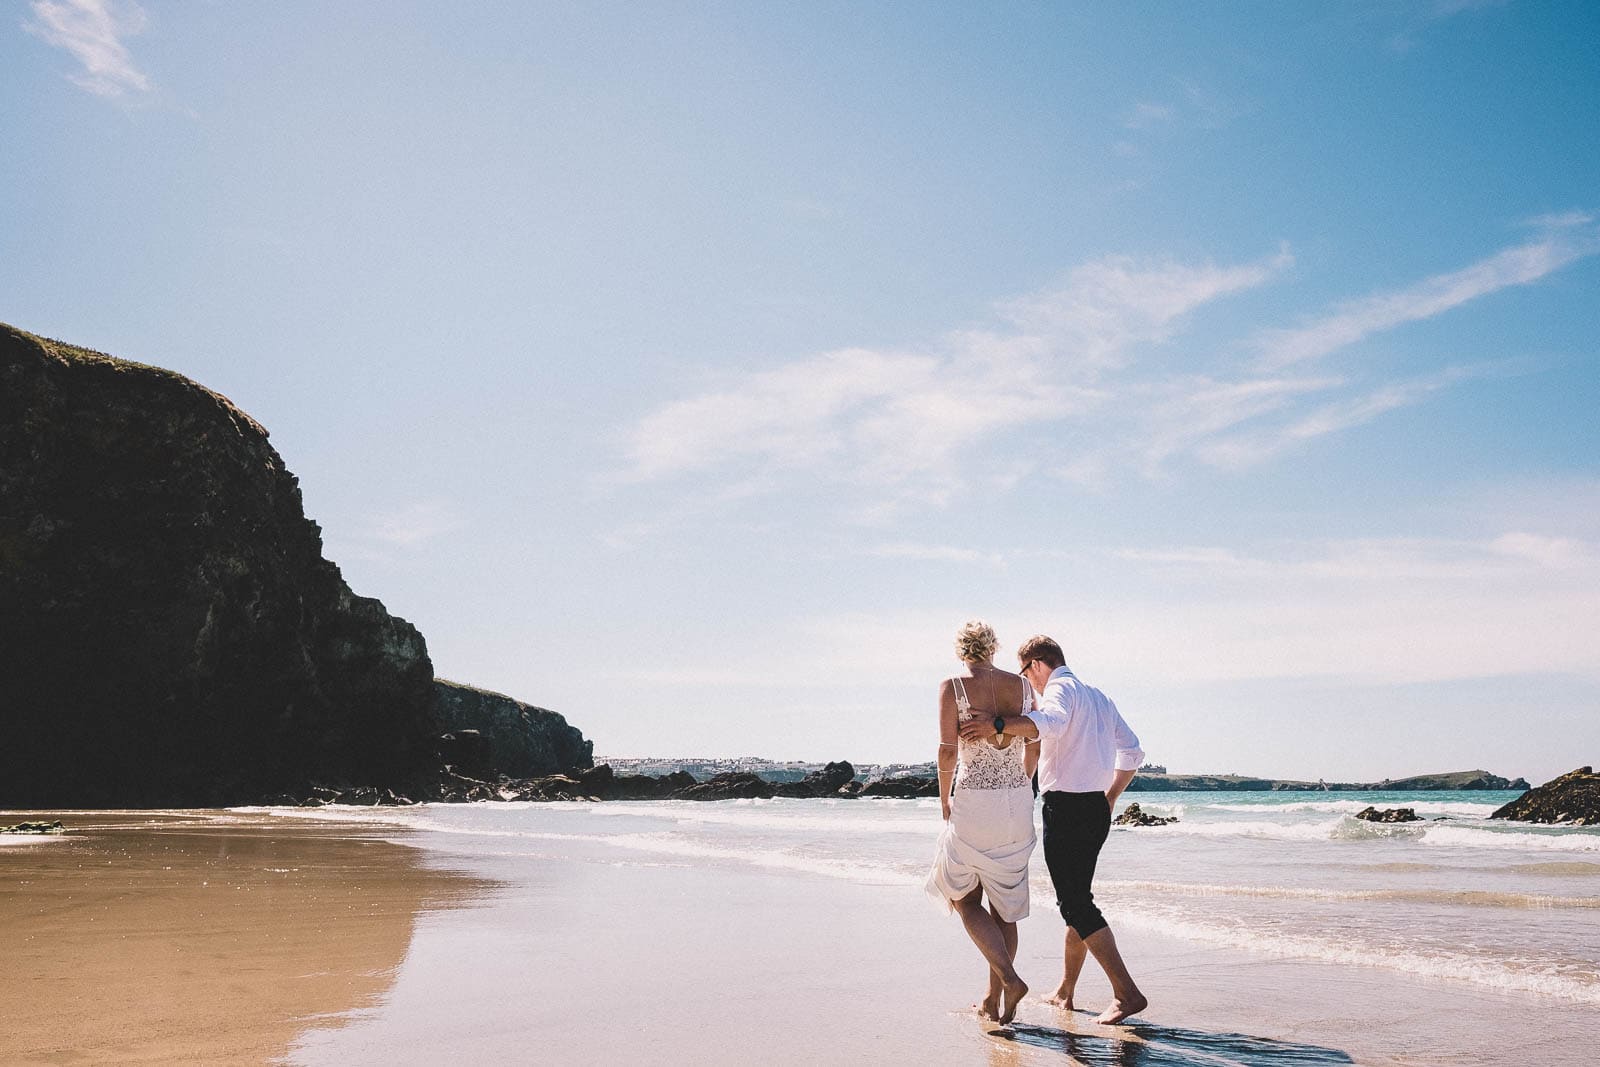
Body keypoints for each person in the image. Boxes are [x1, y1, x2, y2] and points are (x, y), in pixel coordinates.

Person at [959, 634, 1149, 1025]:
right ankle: (1066, 990)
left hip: (1067, 809)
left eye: (1026, 673)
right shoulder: (1098, 696)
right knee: (1078, 898)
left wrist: (998, 723)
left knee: (1076, 904)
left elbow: (1052, 724)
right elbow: (1133, 751)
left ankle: (1127, 993)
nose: (1028, 683)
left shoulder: (1060, 689)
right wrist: (1111, 797)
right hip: (1095, 807)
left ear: (1039, 664)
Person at [924, 620, 1039, 1025]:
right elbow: (1035, 741)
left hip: (976, 800)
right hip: (1017, 803)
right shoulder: (1023, 687)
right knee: (1003, 908)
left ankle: (1010, 979)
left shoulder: (952, 687)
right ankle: (993, 1001)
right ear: (994, 647)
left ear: (961, 650)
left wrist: (944, 797)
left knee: (963, 897)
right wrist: (1023, 783)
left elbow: (946, 751)